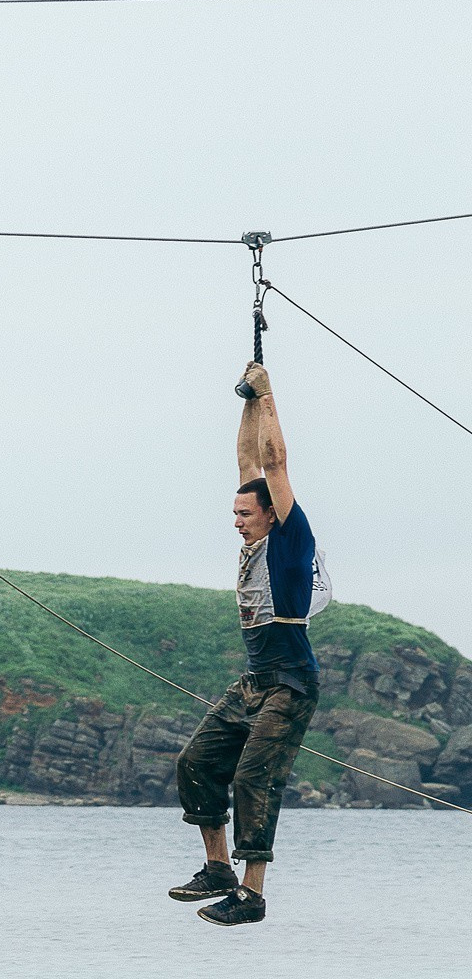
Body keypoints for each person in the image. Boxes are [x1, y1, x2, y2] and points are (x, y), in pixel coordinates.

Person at [169, 361, 321, 926]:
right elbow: (249, 464)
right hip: (255, 682)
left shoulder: (289, 540)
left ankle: (252, 895)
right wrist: (247, 401)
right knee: (196, 762)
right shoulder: (253, 538)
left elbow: (274, 464)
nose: (236, 521)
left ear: (271, 514)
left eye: (244, 513)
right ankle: (217, 870)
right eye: (234, 512)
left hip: (290, 684)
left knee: (254, 777)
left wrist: (270, 393)